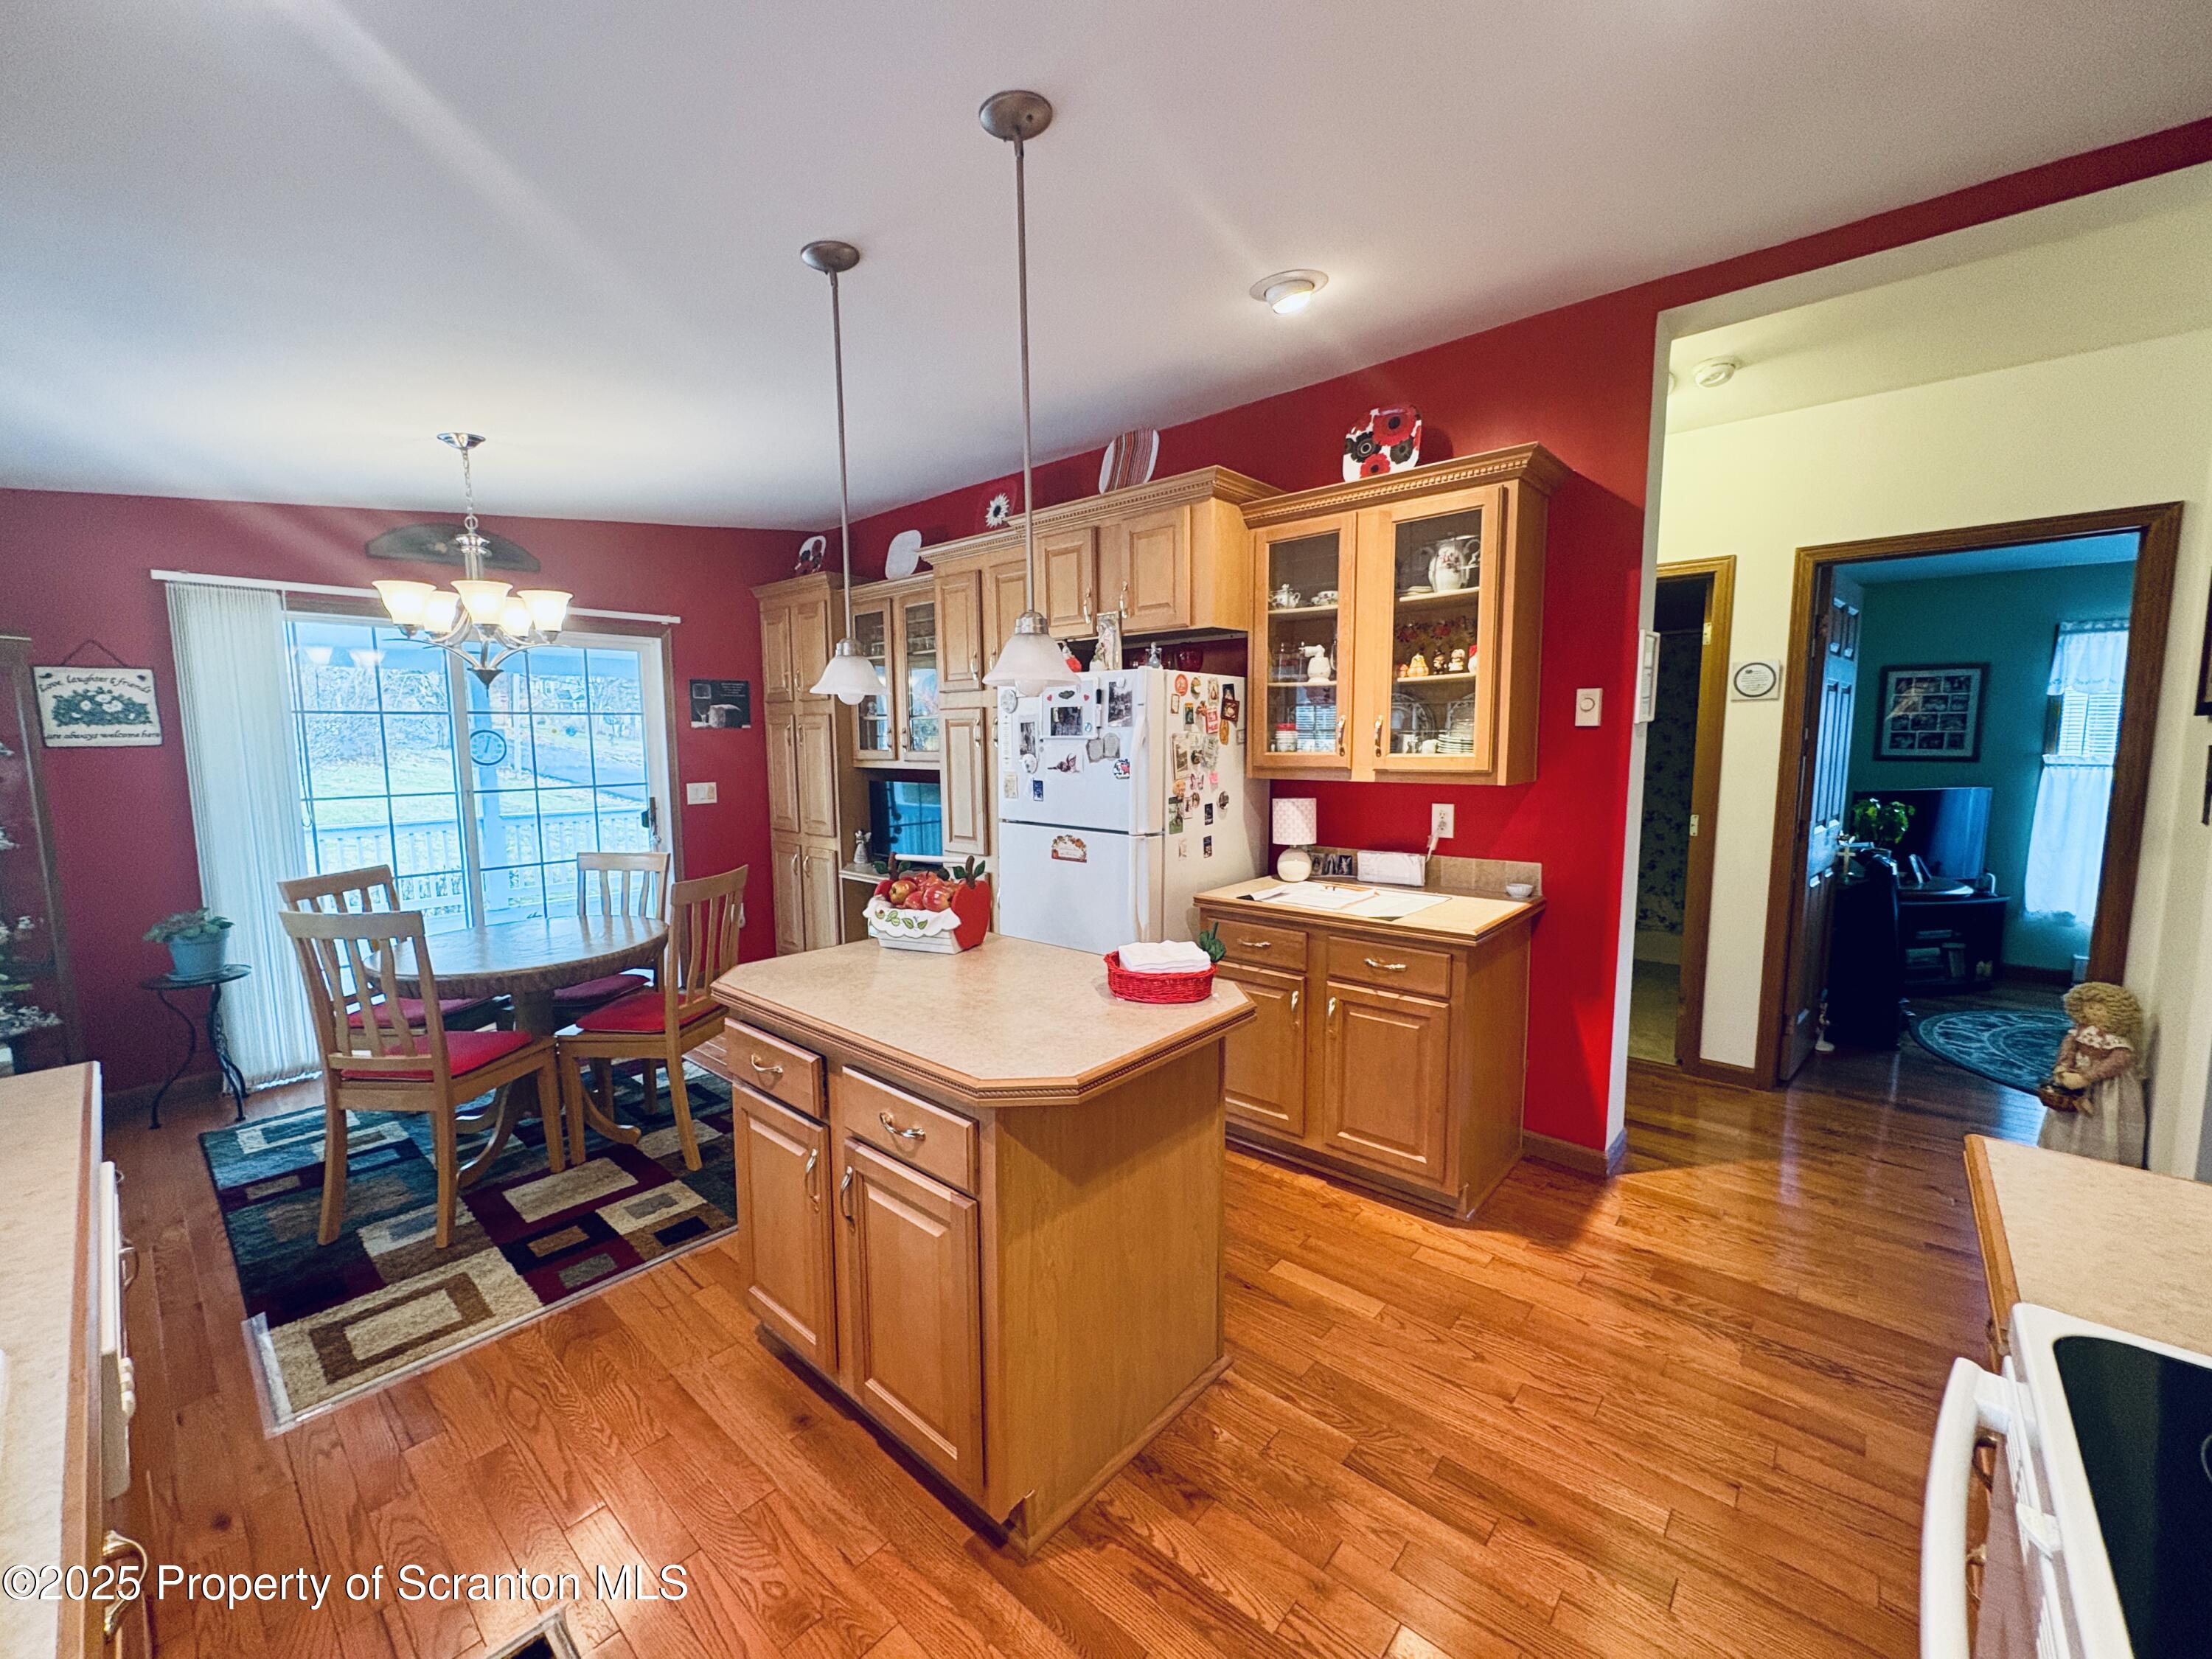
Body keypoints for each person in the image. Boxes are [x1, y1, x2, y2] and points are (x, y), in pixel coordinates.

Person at [2036, 981, 2145, 1166]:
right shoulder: (2080, 1032)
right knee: (2067, 1113)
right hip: (2076, 1076)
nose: (2093, 1012)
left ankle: (2100, 1155)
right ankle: (2063, 1148)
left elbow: (2118, 1061)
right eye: (2090, 1008)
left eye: (2099, 1009)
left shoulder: (2116, 1041)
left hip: (2105, 1084)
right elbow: (2069, 1048)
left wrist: (2087, 1077)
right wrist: (2064, 1066)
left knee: (2104, 1117)